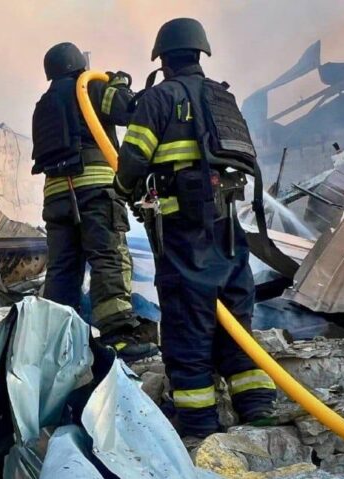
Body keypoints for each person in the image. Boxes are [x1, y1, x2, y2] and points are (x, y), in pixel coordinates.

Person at [116, 19, 275, 438]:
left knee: (187, 320)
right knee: (235, 313)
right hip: (227, 227)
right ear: (200, 53)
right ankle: (257, 405)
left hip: (181, 229)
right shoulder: (223, 98)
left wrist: (125, 190)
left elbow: (133, 159)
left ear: (164, 60)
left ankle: (199, 424)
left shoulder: (159, 97)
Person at [31, 42, 156, 359]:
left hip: (56, 198)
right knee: (109, 257)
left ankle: (57, 344)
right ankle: (119, 337)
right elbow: (128, 111)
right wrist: (119, 84)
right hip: (95, 191)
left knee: (62, 269)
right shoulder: (91, 87)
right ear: (78, 64)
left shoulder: (43, 105)